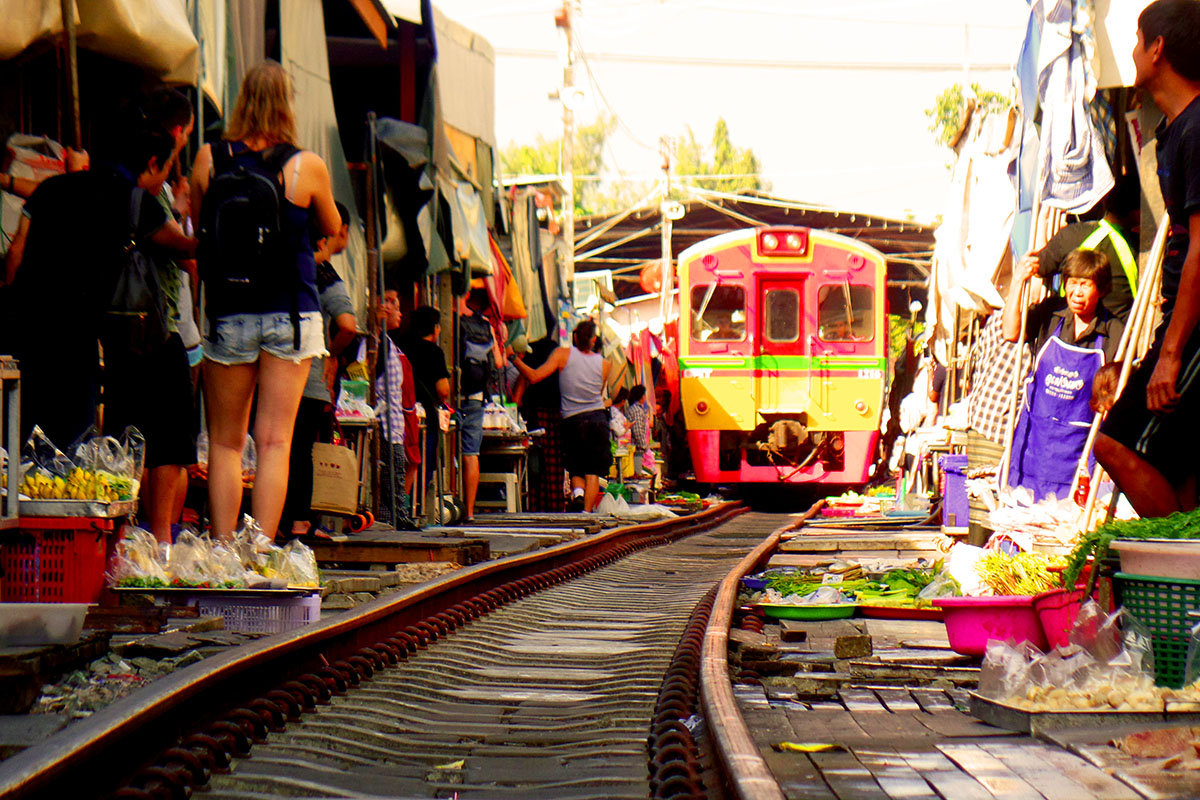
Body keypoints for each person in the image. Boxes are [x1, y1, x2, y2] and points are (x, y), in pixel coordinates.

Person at [190, 61, 341, 541]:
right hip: (291, 315)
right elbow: (333, 227)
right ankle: (261, 554)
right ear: (286, 104)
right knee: (276, 441)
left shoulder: (209, 159)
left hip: (228, 310)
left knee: (227, 443)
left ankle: (222, 550)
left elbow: (200, 227)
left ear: (241, 101)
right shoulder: (307, 165)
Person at [4, 125, 195, 448]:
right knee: (65, 451)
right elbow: (182, 248)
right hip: (74, 344)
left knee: (16, 439)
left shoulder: (52, 188)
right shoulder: (136, 201)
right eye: (163, 171)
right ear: (151, 164)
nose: (163, 181)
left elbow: (16, 254)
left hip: (21, 332)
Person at [1096, 0, 1200, 517]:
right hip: (1181, 326)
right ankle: (1181, 585)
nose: (1132, 53)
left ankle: (1179, 566)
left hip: (1196, 331)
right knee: (1180, 475)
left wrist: (1172, 352)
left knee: (1114, 443)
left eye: (1137, 41)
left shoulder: (1197, 129)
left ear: (1157, 49)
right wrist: (1133, 358)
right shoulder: (1176, 130)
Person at [102, 88, 199, 544]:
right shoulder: (145, 194)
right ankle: (157, 542)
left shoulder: (107, 181)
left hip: (120, 332)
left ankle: (128, 540)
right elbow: (180, 246)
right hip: (155, 333)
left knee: (128, 435)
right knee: (168, 445)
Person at [1003, 249, 1124, 500]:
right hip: (1033, 446)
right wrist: (1017, 281)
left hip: (1078, 454)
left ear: (1101, 290)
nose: (1076, 292)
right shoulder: (1051, 315)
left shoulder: (1114, 332)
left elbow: (1117, 397)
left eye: (1085, 285)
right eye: (1072, 283)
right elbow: (1010, 332)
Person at [280, 205, 357, 538]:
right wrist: (332, 355)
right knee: (302, 451)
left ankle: (280, 522)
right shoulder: (324, 273)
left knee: (279, 447)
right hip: (310, 379)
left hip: (276, 371)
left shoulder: (287, 263)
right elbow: (348, 326)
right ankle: (301, 521)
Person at [510, 318, 612, 512]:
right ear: (593, 340)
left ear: (574, 337)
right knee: (592, 471)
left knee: (575, 467)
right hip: (598, 419)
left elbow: (533, 376)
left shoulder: (561, 355)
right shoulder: (605, 364)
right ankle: (586, 513)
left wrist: (513, 358)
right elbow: (598, 394)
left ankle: (578, 494)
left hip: (574, 421)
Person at [1031, 182, 1141, 319]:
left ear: (1106, 202)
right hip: (1123, 333)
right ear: (1137, 212)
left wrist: (1044, 224)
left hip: (1073, 326)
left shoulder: (1069, 235)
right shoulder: (1141, 248)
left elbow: (1038, 268)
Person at [458, 286, 504, 521]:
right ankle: (469, 512)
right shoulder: (484, 325)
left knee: (445, 450)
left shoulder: (450, 319)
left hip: (451, 395)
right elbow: (498, 361)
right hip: (476, 396)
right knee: (470, 453)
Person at [403, 305, 451, 493]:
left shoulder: (401, 346)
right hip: (426, 415)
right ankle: (417, 506)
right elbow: (443, 390)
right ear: (436, 328)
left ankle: (404, 504)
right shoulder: (435, 352)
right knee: (423, 462)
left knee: (406, 461)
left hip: (403, 412)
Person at [516, 335, 566, 511]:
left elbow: (517, 398)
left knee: (536, 467)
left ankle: (535, 505)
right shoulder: (558, 364)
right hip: (556, 418)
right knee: (554, 466)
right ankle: (555, 506)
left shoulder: (530, 366)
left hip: (534, 418)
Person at [626, 384, 653, 477]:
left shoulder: (637, 409)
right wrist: (643, 445)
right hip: (638, 449)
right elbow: (637, 430)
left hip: (639, 448)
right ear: (641, 397)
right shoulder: (637, 410)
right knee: (638, 473)